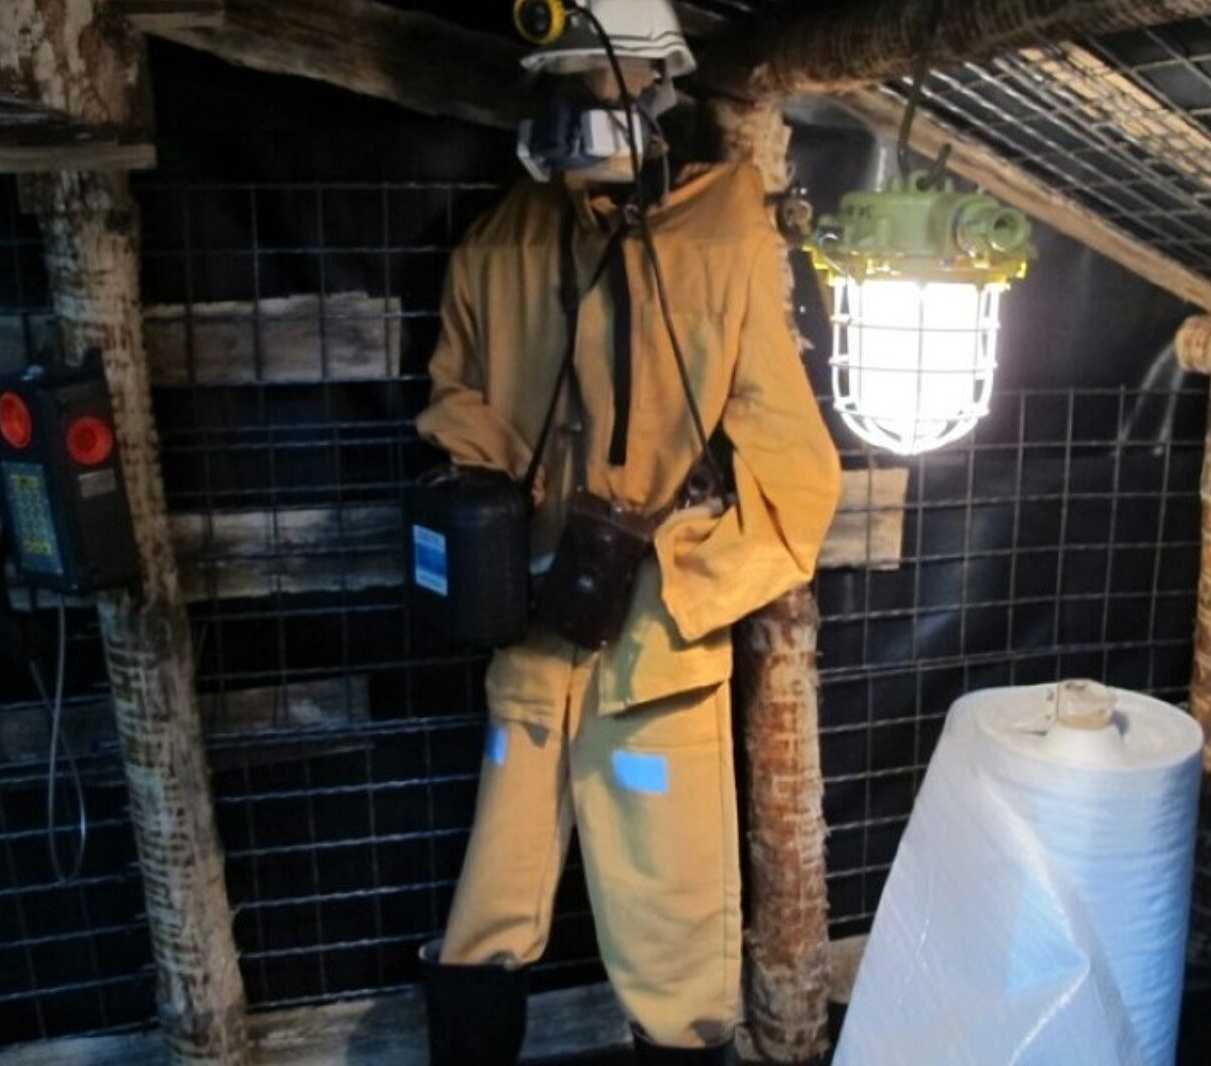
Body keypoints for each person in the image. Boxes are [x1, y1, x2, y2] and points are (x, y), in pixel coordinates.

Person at [414, 2, 841, 1062]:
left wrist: (686, 576)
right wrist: (495, 528)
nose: (594, 106)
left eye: (604, 82)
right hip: (533, 619)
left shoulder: (719, 238)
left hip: (650, 632)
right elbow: (456, 403)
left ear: (656, 86)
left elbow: (796, 480)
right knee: (499, 891)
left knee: (674, 919)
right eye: (575, 85)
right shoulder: (504, 244)